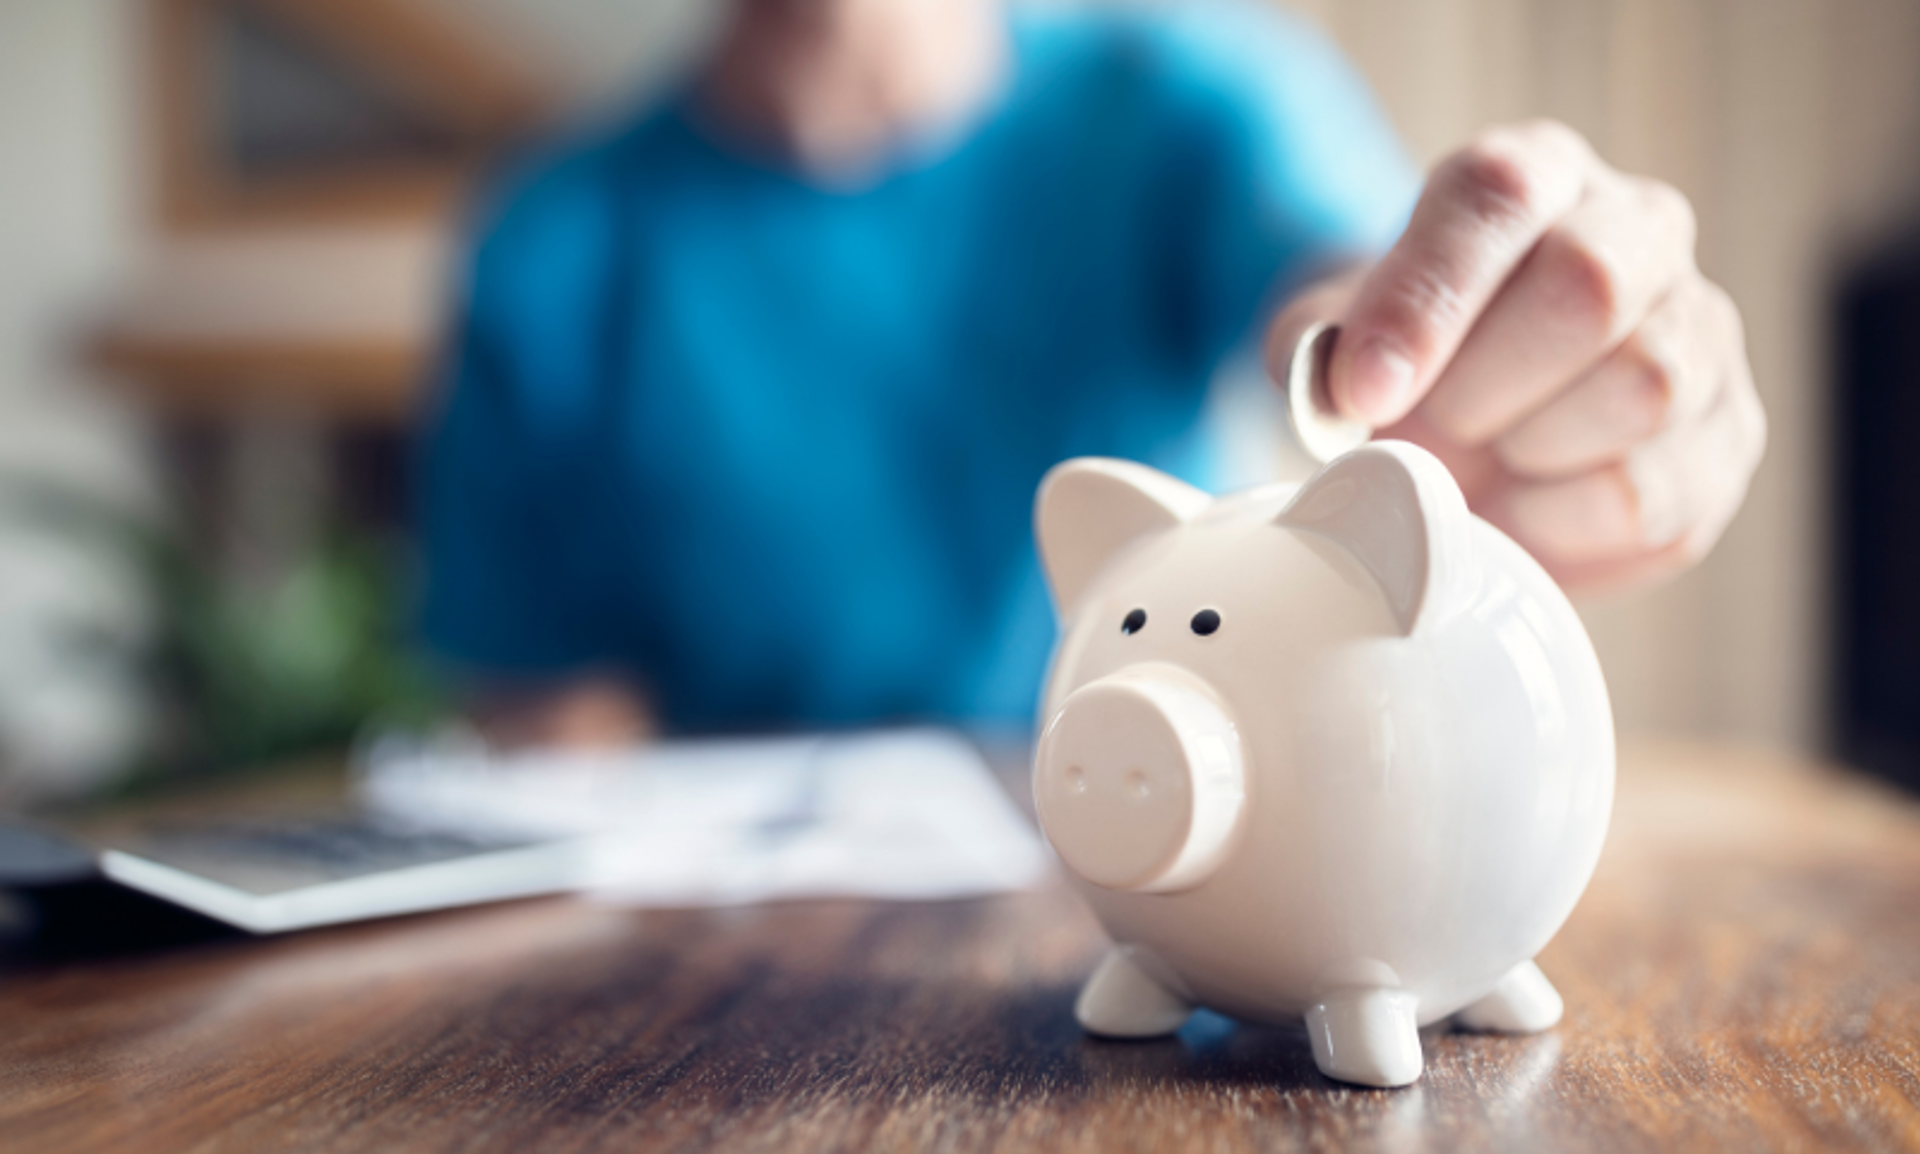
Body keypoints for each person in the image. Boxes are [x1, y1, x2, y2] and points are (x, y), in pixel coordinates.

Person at [420, 0, 1765, 745]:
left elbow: (1335, 289)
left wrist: (1447, 349)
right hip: (733, 1002)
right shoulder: (548, 243)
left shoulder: (1187, 90)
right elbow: (554, 724)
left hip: (1168, 864)